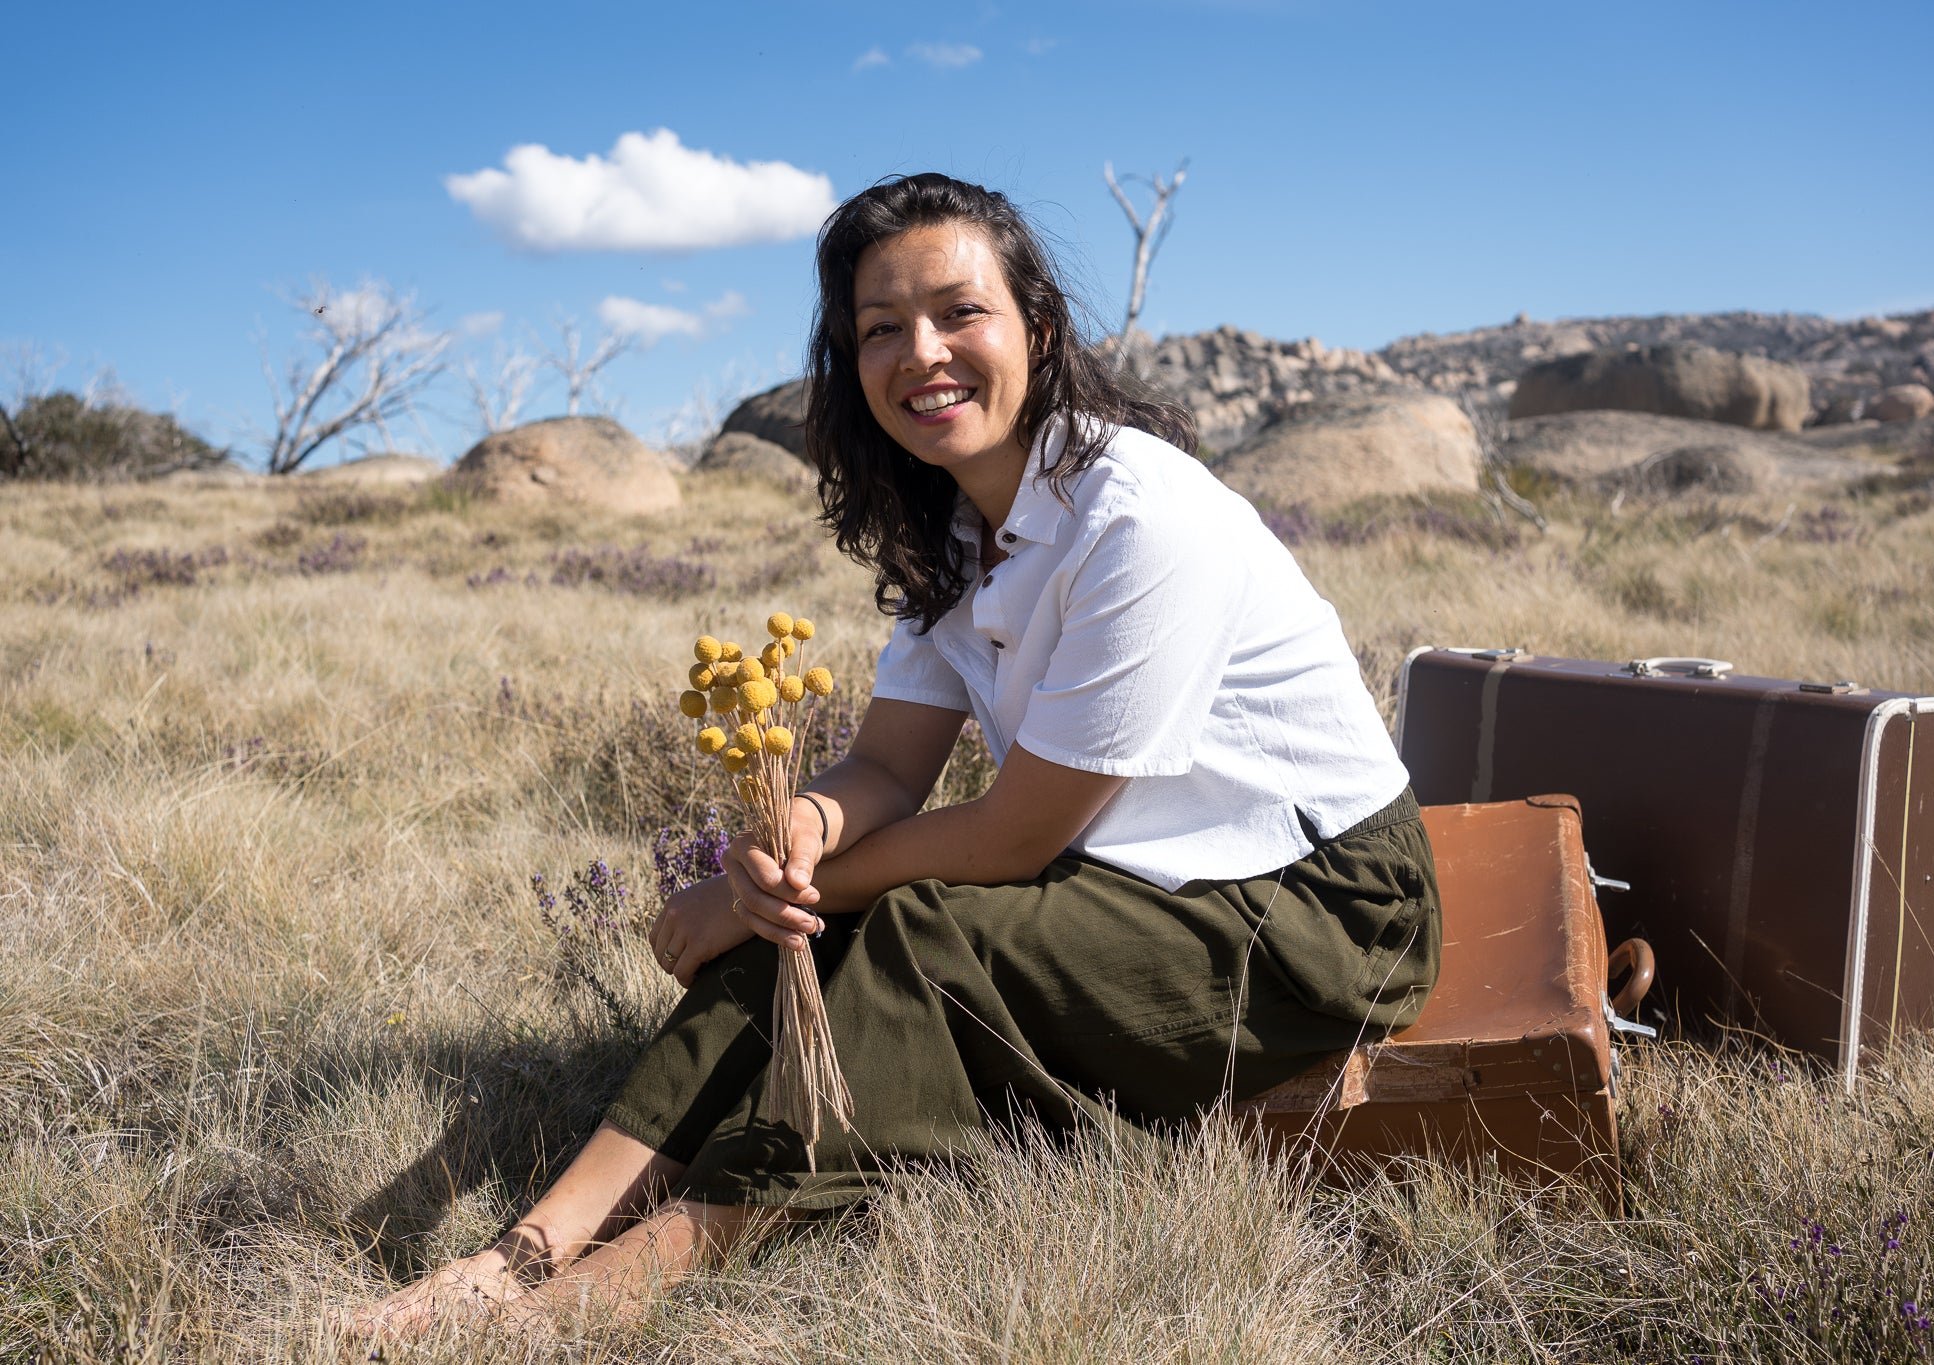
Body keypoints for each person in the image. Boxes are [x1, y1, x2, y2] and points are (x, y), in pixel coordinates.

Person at [350, 173, 1440, 1334]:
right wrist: (790, 852)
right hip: (1156, 878)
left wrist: (766, 899)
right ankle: (524, 1251)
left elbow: (1017, 836)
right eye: (880, 329)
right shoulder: (957, 531)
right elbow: (879, 773)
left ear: (1041, 327)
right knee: (800, 924)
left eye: (957, 313)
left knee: (915, 934)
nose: (921, 353)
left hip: (1316, 908)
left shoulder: (1139, 519)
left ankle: (609, 1292)